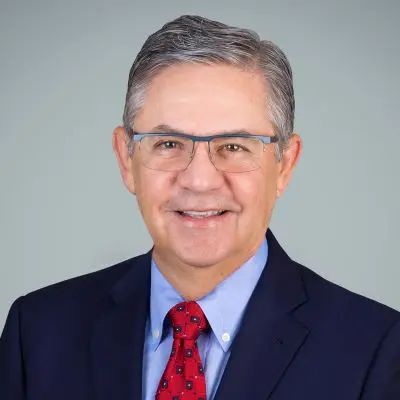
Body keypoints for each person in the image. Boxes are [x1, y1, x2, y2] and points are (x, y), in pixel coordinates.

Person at [1, 14, 399, 400]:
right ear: (126, 160)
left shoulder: (377, 350)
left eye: (233, 147)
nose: (199, 180)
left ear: (285, 164)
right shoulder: (37, 332)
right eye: (169, 144)